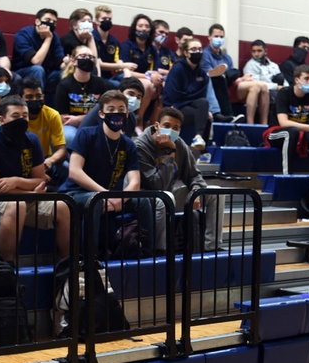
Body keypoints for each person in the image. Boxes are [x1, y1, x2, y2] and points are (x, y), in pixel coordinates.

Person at [0, 95, 71, 263]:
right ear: (1, 119)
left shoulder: (32, 139)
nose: (22, 119)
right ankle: (6, 268)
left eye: (24, 116)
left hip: (25, 196)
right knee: (17, 205)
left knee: (61, 207)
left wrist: (17, 181)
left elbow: (41, 179)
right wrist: (31, 191)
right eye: (16, 116)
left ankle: (70, 265)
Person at [59, 89, 152, 252]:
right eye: (111, 110)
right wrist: (105, 194)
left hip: (111, 197)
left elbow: (135, 182)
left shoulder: (128, 144)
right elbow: (74, 172)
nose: (117, 113)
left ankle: (148, 254)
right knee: (95, 201)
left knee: (144, 201)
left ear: (127, 113)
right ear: (101, 114)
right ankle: (89, 260)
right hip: (77, 194)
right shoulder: (86, 134)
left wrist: (119, 199)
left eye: (121, 109)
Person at [135, 107, 224, 252]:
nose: (171, 131)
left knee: (215, 193)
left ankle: (212, 247)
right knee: (166, 197)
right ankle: (160, 251)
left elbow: (194, 175)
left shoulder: (180, 144)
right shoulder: (140, 146)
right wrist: (170, 154)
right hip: (146, 198)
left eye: (176, 128)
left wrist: (196, 190)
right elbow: (157, 184)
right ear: (157, 126)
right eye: (167, 126)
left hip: (169, 196)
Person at [201, 24, 268, 124]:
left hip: (229, 83)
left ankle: (264, 124)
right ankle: (250, 124)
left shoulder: (227, 57)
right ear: (209, 37)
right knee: (253, 87)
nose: (219, 39)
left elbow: (232, 76)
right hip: (216, 85)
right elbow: (210, 75)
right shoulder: (205, 54)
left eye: (221, 37)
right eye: (216, 36)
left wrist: (242, 79)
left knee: (262, 86)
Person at [162, 37, 212, 152]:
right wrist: (191, 98)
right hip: (173, 106)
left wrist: (188, 98)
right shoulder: (177, 69)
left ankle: (199, 141)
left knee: (205, 107)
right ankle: (191, 148)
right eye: (193, 49)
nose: (197, 52)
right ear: (186, 52)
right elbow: (174, 95)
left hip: (186, 103)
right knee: (202, 116)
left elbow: (201, 96)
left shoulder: (202, 73)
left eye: (199, 49)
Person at [54, 44, 111, 144]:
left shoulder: (100, 83)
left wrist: (79, 119)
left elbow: (105, 112)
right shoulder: (64, 85)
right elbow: (64, 118)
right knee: (69, 136)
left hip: (95, 124)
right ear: (74, 61)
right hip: (71, 127)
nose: (88, 59)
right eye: (83, 56)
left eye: (91, 57)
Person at [18, 78, 68, 187]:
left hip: (44, 160)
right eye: (29, 97)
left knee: (66, 170)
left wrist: (50, 161)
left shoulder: (52, 114)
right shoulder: (16, 117)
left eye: (38, 96)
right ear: (20, 98)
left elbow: (62, 150)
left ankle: (65, 202)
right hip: (19, 162)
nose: (35, 100)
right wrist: (38, 173)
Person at [11, 8, 65, 101]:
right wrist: (48, 39)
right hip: (22, 71)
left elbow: (59, 61)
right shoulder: (23, 34)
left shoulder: (54, 36)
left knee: (63, 74)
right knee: (37, 69)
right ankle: (38, 103)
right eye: (48, 20)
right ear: (37, 21)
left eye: (54, 22)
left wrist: (68, 64)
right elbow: (36, 61)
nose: (51, 24)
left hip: (46, 72)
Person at [120, 14, 162, 124]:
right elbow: (126, 71)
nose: (144, 29)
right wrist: (148, 76)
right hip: (127, 78)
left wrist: (156, 78)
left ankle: (152, 125)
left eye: (147, 26)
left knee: (161, 88)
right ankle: (139, 120)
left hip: (146, 79)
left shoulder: (152, 49)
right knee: (148, 85)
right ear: (135, 28)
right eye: (141, 26)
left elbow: (155, 70)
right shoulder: (127, 46)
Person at [79, 77, 144, 136]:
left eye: (138, 97)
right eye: (131, 94)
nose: (135, 99)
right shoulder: (104, 109)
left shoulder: (132, 119)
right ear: (120, 93)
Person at [93, 5, 135, 87]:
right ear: (97, 21)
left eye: (109, 19)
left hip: (109, 77)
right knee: (117, 85)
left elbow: (118, 60)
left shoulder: (114, 41)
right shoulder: (91, 38)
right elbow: (99, 64)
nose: (107, 21)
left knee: (130, 80)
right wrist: (123, 65)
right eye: (104, 19)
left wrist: (126, 71)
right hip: (95, 76)